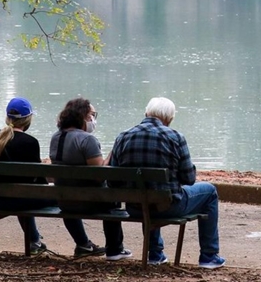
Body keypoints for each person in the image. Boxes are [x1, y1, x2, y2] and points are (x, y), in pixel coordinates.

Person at [109, 97, 225, 269]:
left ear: (146, 113)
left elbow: (113, 181)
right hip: (169, 207)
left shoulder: (123, 136)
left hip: (135, 207)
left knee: (146, 193)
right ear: (170, 119)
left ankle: (155, 254)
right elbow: (189, 178)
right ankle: (209, 256)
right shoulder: (175, 137)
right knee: (209, 191)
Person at [49, 97, 132, 261]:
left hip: (64, 200)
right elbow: (99, 176)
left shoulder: (55, 137)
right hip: (90, 201)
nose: (94, 119)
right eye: (92, 115)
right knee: (112, 197)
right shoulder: (87, 140)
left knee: (71, 193)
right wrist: (112, 155)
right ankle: (115, 249)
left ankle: (83, 244)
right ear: (81, 116)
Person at [0, 97, 54, 254]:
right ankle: (82, 243)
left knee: (21, 193)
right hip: (21, 200)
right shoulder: (30, 142)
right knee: (56, 195)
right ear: (27, 119)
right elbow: (39, 180)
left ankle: (34, 242)